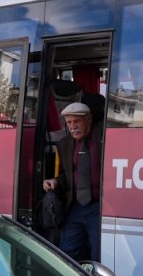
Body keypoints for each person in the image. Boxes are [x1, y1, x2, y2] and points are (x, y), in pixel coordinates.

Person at [43, 102, 102, 260]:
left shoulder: (101, 137)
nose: (72, 126)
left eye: (77, 121)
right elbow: (67, 174)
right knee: (67, 254)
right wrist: (55, 181)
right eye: (69, 122)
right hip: (76, 207)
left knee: (99, 253)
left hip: (99, 207)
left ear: (88, 120)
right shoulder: (65, 144)